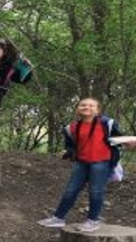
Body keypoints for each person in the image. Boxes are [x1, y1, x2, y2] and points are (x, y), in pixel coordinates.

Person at [37, 98, 135, 233]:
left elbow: (118, 139)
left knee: (96, 191)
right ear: (77, 108)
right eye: (83, 105)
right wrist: (68, 152)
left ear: (97, 110)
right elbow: (71, 146)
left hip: (101, 162)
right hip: (81, 162)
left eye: (91, 105)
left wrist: (129, 143)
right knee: (70, 190)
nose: (86, 107)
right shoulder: (71, 127)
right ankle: (58, 218)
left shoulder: (107, 123)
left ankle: (92, 221)